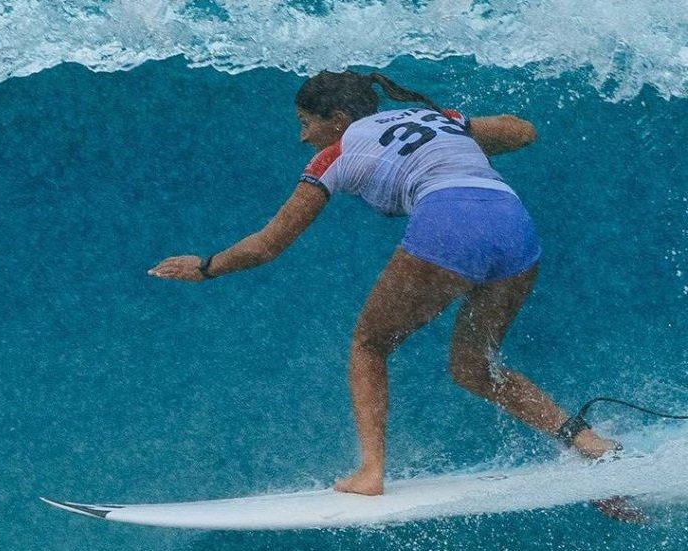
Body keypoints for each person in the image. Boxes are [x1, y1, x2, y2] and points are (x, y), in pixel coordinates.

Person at [147, 70, 628, 507]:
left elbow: (268, 244)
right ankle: (584, 440)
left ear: (337, 119)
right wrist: (453, 130)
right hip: (514, 226)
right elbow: (523, 131)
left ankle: (371, 471)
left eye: (305, 122)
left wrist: (206, 266)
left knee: (369, 344)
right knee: (473, 367)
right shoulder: (434, 119)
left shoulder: (334, 153)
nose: (302, 135)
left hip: (449, 221)